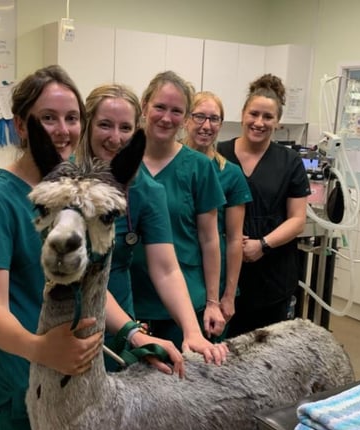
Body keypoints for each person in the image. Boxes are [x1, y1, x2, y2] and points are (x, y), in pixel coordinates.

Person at [0, 65, 181, 430]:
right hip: (20, 384)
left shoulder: (78, 193)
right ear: (22, 125)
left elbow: (93, 280)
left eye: (71, 118)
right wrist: (43, 349)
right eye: (47, 118)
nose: (62, 130)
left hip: (80, 385)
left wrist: (134, 334)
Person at [77, 83, 226, 367]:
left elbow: (166, 268)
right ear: (87, 125)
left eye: (125, 128)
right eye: (105, 125)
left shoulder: (145, 188)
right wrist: (132, 333)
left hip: (120, 317)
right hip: (71, 316)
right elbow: (82, 276)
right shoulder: (64, 185)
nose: (115, 137)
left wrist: (191, 330)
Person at [129, 71, 228, 347]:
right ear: (144, 105)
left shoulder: (199, 167)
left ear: (185, 118)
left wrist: (212, 302)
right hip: (128, 302)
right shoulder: (121, 161)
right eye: (159, 107)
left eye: (176, 111)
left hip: (182, 305)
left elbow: (210, 240)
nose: (166, 117)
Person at [217, 73, 310, 336]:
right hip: (223, 272)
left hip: (272, 276)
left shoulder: (289, 161)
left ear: (278, 122)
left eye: (268, 117)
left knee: (266, 353)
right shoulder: (218, 154)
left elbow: (297, 219)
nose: (259, 122)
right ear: (243, 114)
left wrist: (263, 245)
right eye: (254, 114)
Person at [183, 91, 252, 338]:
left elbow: (234, 239)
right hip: (175, 274)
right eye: (199, 116)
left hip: (215, 279)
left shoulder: (230, 174)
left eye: (214, 119)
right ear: (185, 120)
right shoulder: (169, 164)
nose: (206, 125)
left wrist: (228, 296)